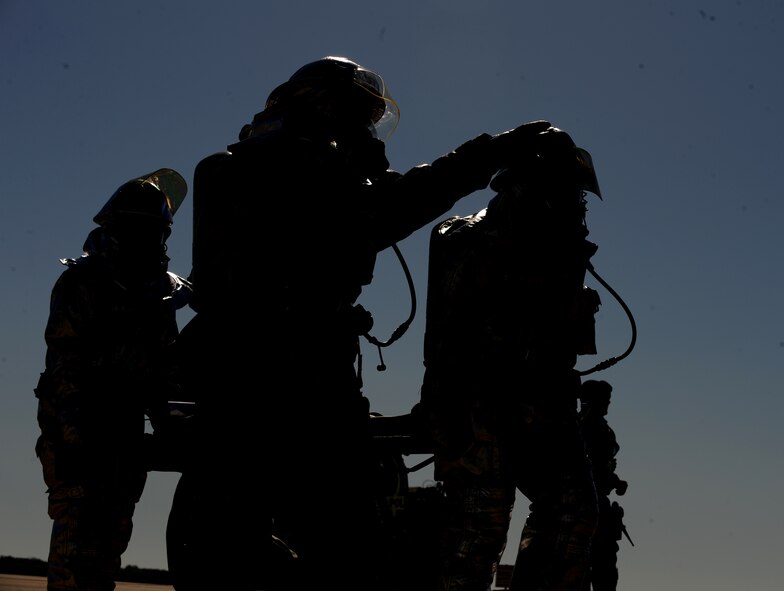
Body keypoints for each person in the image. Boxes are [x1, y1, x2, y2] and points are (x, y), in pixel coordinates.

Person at [176, 55, 562, 590]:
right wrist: (489, 153)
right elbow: (382, 208)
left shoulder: (264, 172)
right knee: (291, 539)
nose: (364, 134)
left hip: (297, 373)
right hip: (267, 380)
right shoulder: (258, 174)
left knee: (325, 538)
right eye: (356, 118)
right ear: (322, 111)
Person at [418, 131, 604, 591]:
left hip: (540, 401)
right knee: (479, 521)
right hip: (479, 402)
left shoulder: (553, 246)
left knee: (572, 509)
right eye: (563, 190)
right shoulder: (470, 239)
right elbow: (465, 333)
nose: (574, 204)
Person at [33, 169, 192, 591]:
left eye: (152, 230)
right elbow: (67, 366)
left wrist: (169, 419)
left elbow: (166, 368)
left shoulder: (160, 293)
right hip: (80, 429)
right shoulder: (82, 283)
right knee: (76, 550)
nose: (144, 239)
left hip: (123, 432)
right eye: (135, 227)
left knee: (109, 543)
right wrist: (75, 435)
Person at [578, 379, 631, 591]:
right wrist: (614, 481)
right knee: (601, 566)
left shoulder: (584, 423)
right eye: (605, 400)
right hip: (590, 502)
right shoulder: (592, 426)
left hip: (589, 500)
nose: (608, 404)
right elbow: (595, 464)